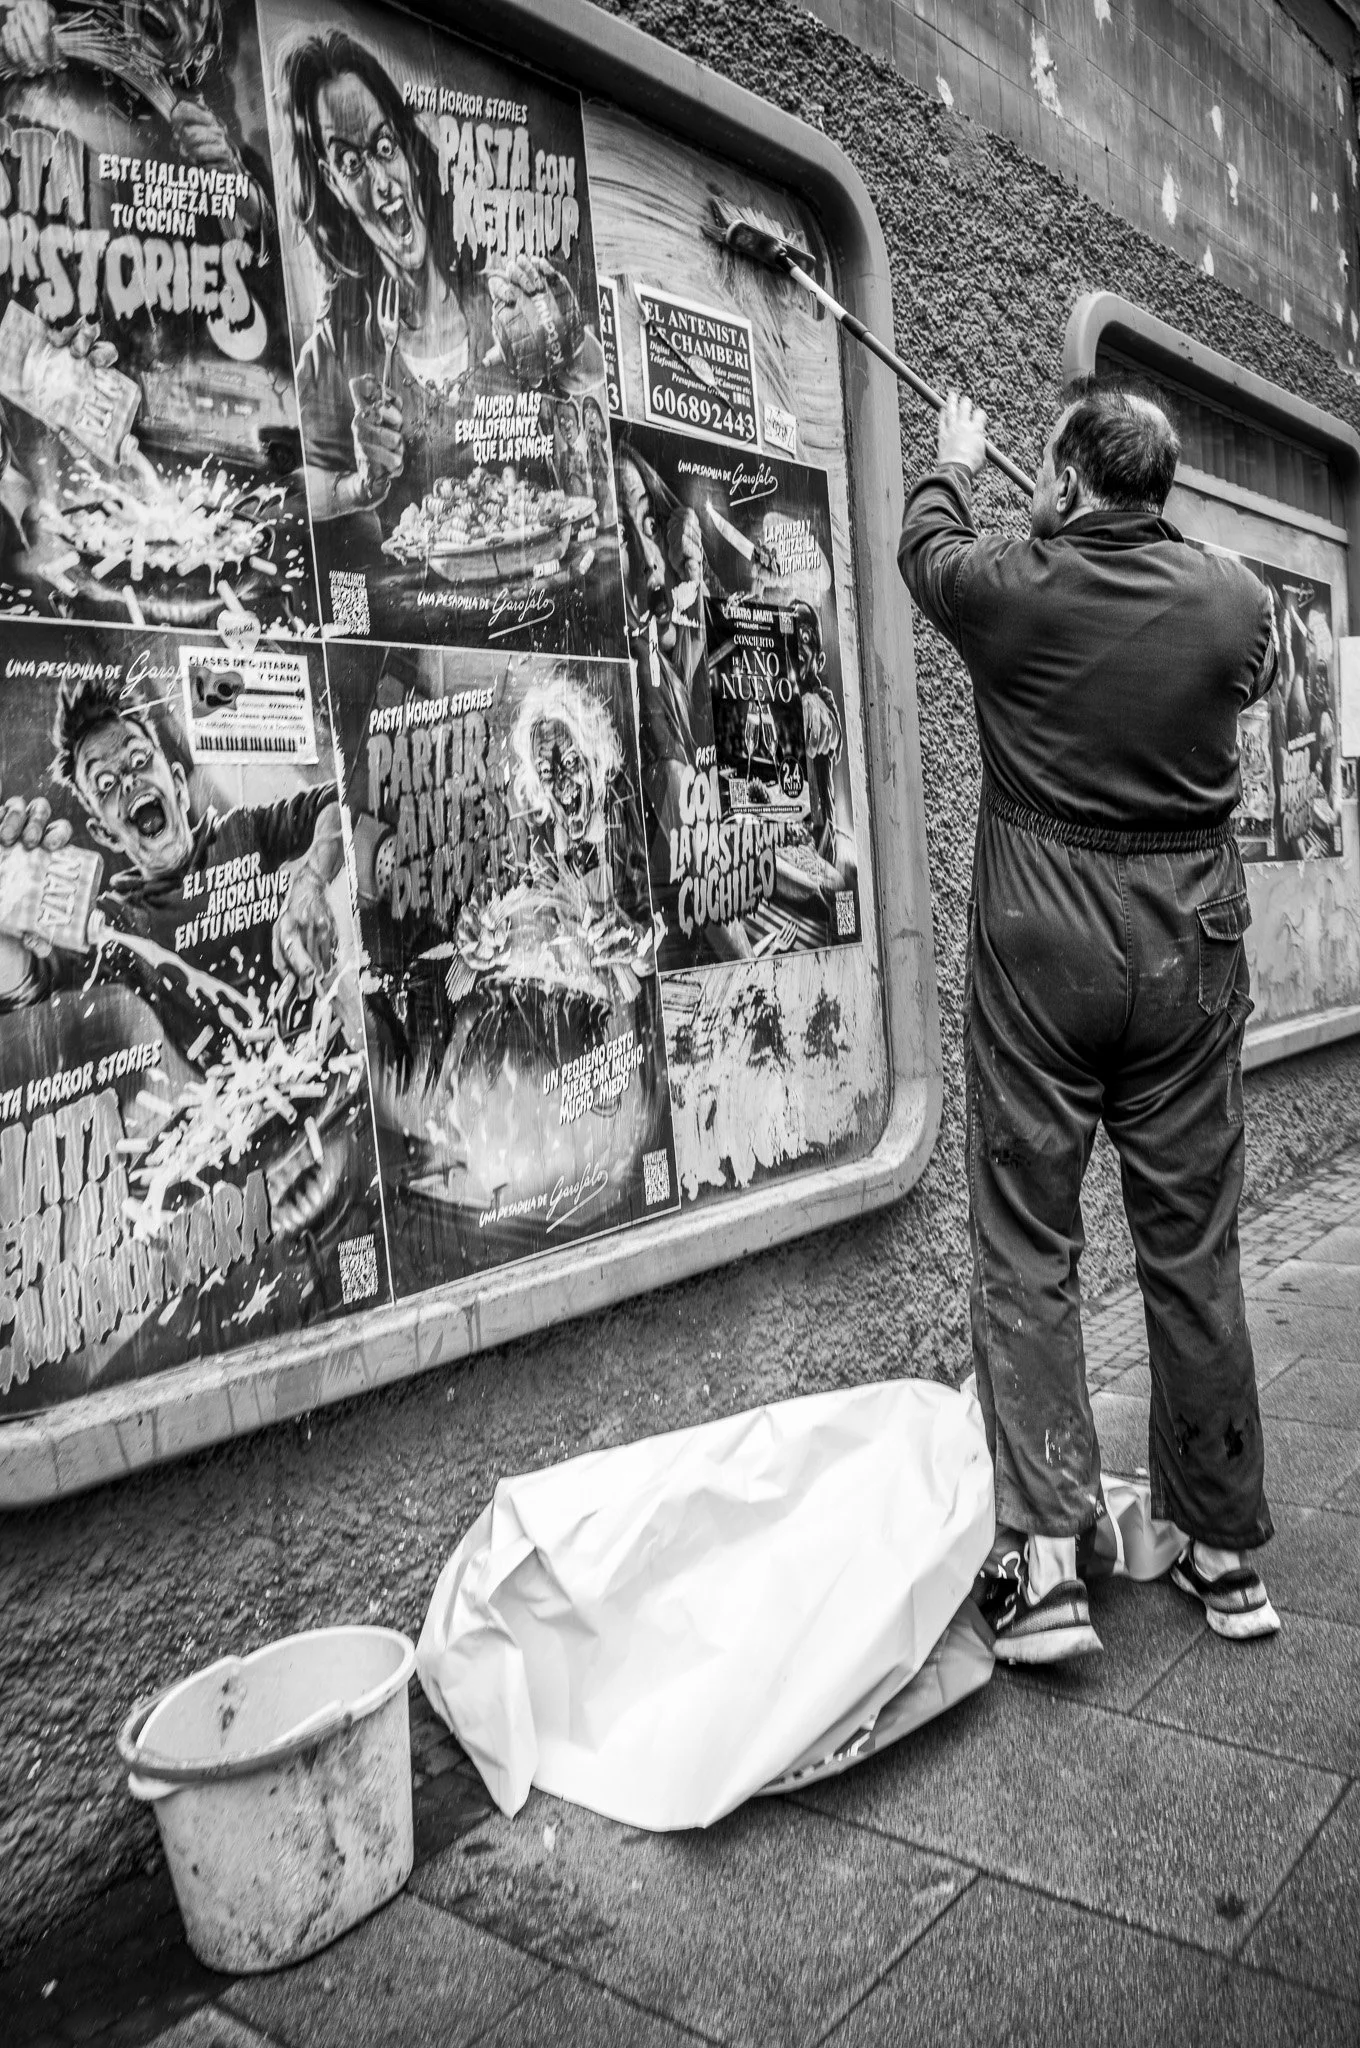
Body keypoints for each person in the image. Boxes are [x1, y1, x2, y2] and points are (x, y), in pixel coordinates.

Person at [899, 376, 1281, 1662]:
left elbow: (926, 550)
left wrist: (952, 460)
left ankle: (1049, 1566)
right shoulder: (1233, 597)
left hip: (1045, 947)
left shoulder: (1015, 585)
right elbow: (1244, 644)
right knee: (1191, 1242)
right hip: (1188, 954)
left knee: (1026, 1240)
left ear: (1062, 477)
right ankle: (1223, 1553)